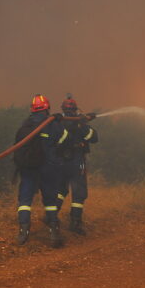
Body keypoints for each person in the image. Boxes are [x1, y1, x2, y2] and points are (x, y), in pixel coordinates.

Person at [13, 95, 68, 247]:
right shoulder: (52, 123)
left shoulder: (27, 123)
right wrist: (57, 121)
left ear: (33, 109)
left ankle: (23, 231)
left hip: (29, 168)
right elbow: (64, 138)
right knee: (50, 201)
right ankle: (54, 233)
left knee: (25, 200)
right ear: (47, 107)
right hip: (48, 167)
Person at [56, 94, 98, 235]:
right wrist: (83, 123)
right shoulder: (72, 123)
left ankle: (51, 218)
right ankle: (75, 223)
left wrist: (83, 123)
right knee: (78, 193)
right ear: (75, 110)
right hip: (76, 161)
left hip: (61, 162)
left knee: (60, 190)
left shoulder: (58, 122)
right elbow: (93, 137)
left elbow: (93, 137)